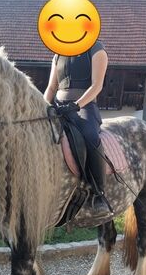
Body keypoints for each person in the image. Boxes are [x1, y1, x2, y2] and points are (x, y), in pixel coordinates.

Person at [44, 40, 110, 216]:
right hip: (58, 108)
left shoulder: (96, 49)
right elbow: (52, 86)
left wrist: (76, 105)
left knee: (90, 136)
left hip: (84, 108)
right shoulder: (58, 54)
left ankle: (99, 194)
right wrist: (42, 106)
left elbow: (97, 85)